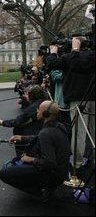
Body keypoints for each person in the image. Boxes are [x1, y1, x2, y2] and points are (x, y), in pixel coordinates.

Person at [0, 100, 70, 202]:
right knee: (13, 165)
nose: (37, 111)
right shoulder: (58, 126)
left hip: (52, 176)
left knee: (4, 173)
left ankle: (41, 192)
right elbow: (38, 138)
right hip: (61, 174)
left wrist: (30, 159)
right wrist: (22, 138)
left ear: (45, 114)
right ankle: (47, 187)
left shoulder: (46, 133)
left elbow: (49, 163)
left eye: (39, 110)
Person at [46, 36, 95, 171]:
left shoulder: (70, 58)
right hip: (93, 98)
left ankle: (77, 164)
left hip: (77, 99)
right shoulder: (91, 56)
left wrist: (53, 53)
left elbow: (52, 65)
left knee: (78, 133)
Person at [0, 85, 46, 157]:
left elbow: (17, 121)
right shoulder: (44, 102)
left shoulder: (33, 108)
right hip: (40, 131)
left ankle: (21, 158)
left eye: (27, 94)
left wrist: (2, 122)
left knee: (18, 130)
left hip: (34, 134)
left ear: (32, 96)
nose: (25, 95)